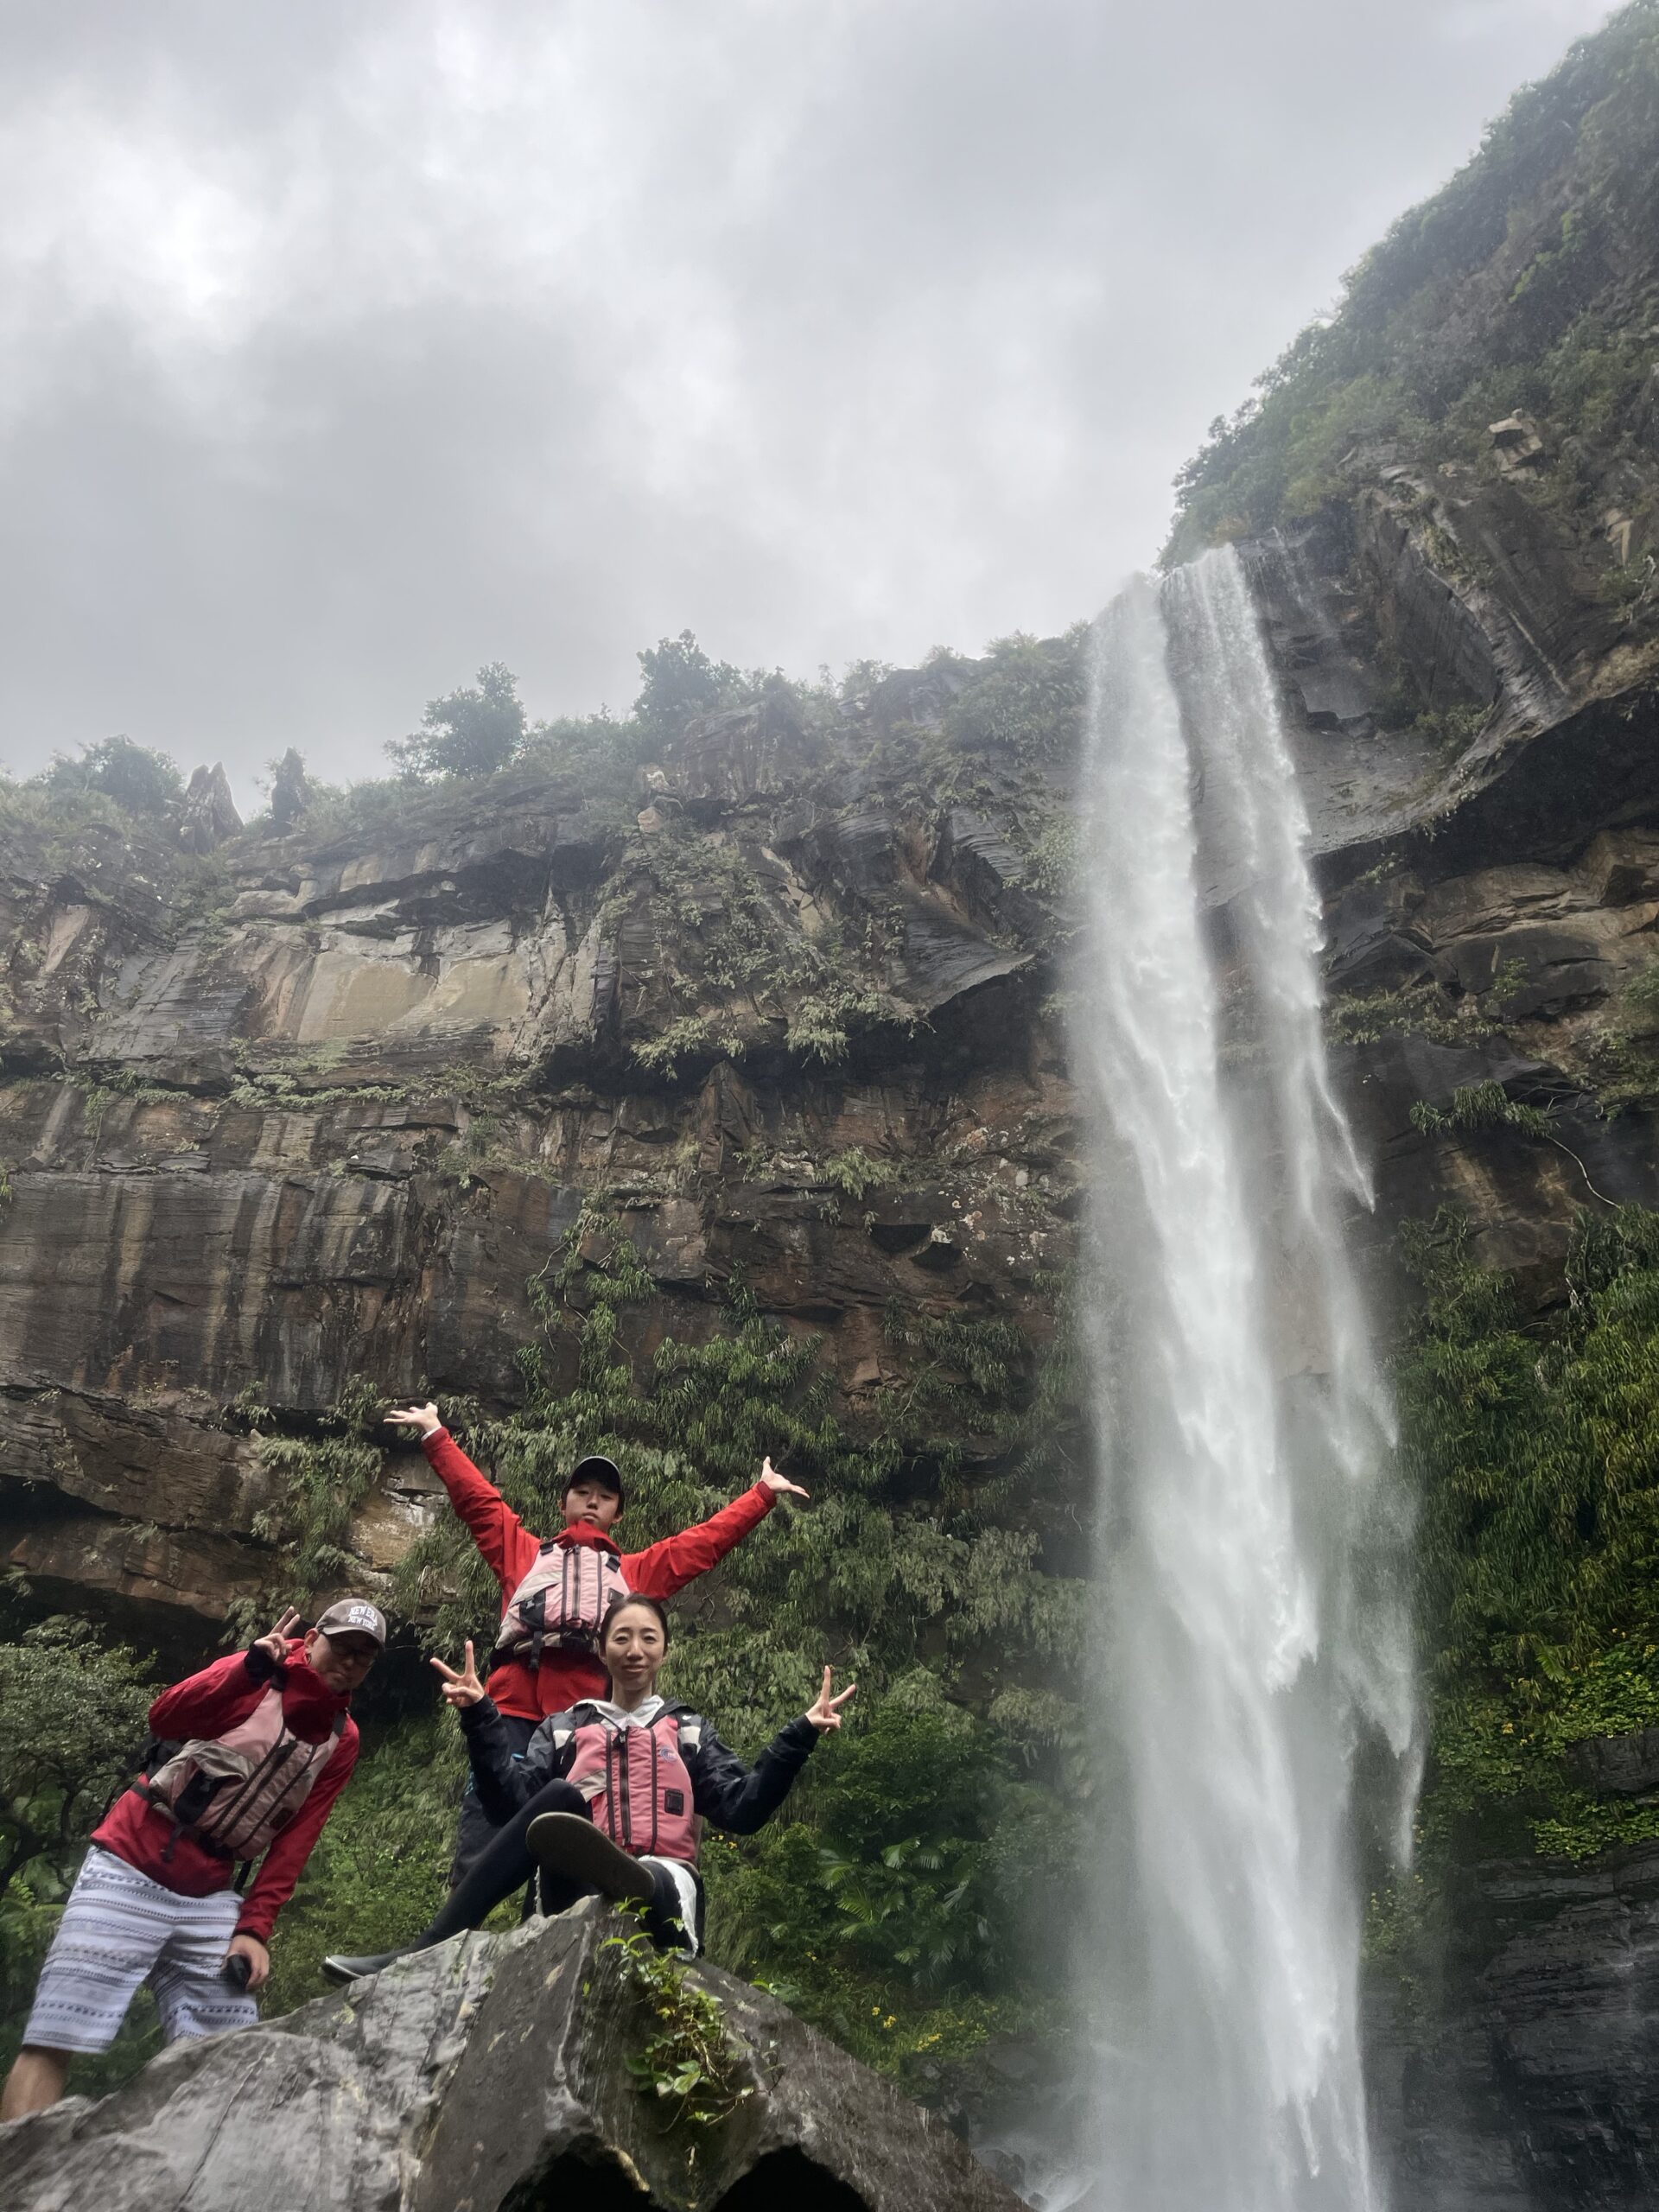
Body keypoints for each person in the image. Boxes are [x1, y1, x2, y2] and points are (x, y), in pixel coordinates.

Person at [321, 1593, 853, 1980]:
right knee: (559, 1801)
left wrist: (799, 1735)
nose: (635, 1649)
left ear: (664, 1651)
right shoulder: (564, 1728)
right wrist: (482, 1716)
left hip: (664, 1896)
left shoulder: (687, 1731)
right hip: (568, 1898)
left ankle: (632, 1882)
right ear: (602, 1652)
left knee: (654, 1875)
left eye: (649, 1637)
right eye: (622, 1637)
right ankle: (429, 1948)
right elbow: (510, 1804)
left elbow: (743, 1809)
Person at [385, 1400, 810, 1882]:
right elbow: (477, 1501)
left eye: (604, 1497)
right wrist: (435, 1434)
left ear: (617, 1514)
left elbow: (699, 1546)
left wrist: (762, 1496)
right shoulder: (524, 1554)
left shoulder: (632, 1574)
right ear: (563, 1504)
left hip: (584, 1722)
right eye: (582, 1492)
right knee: (483, 1836)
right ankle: (456, 1941)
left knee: (570, 1844)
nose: (591, 1501)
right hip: (513, 1711)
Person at [0, 1599, 385, 2121]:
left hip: (209, 1892)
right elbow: (166, 1716)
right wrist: (244, 1668)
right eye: (343, 1645)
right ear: (314, 1638)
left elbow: (295, 1841)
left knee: (226, 2057)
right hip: (129, 1862)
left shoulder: (343, 1740)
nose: (351, 1661)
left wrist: (254, 1928)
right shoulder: (256, 1674)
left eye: (365, 1655)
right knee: (57, 2031)